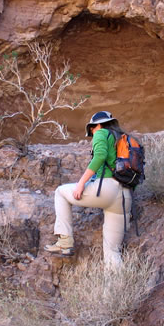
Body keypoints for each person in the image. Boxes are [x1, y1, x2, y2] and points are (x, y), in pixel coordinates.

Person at [44, 111, 132, 266]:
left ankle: (64, 240)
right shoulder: (122, 139)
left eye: (92, 128)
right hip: (125, 196)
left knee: (60, 192)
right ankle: (118, 288)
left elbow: (99, 157)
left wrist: (81, 183)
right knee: (112, 253)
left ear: (98, 125)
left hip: (106, 189)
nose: (92, 131)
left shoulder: (101, 133)